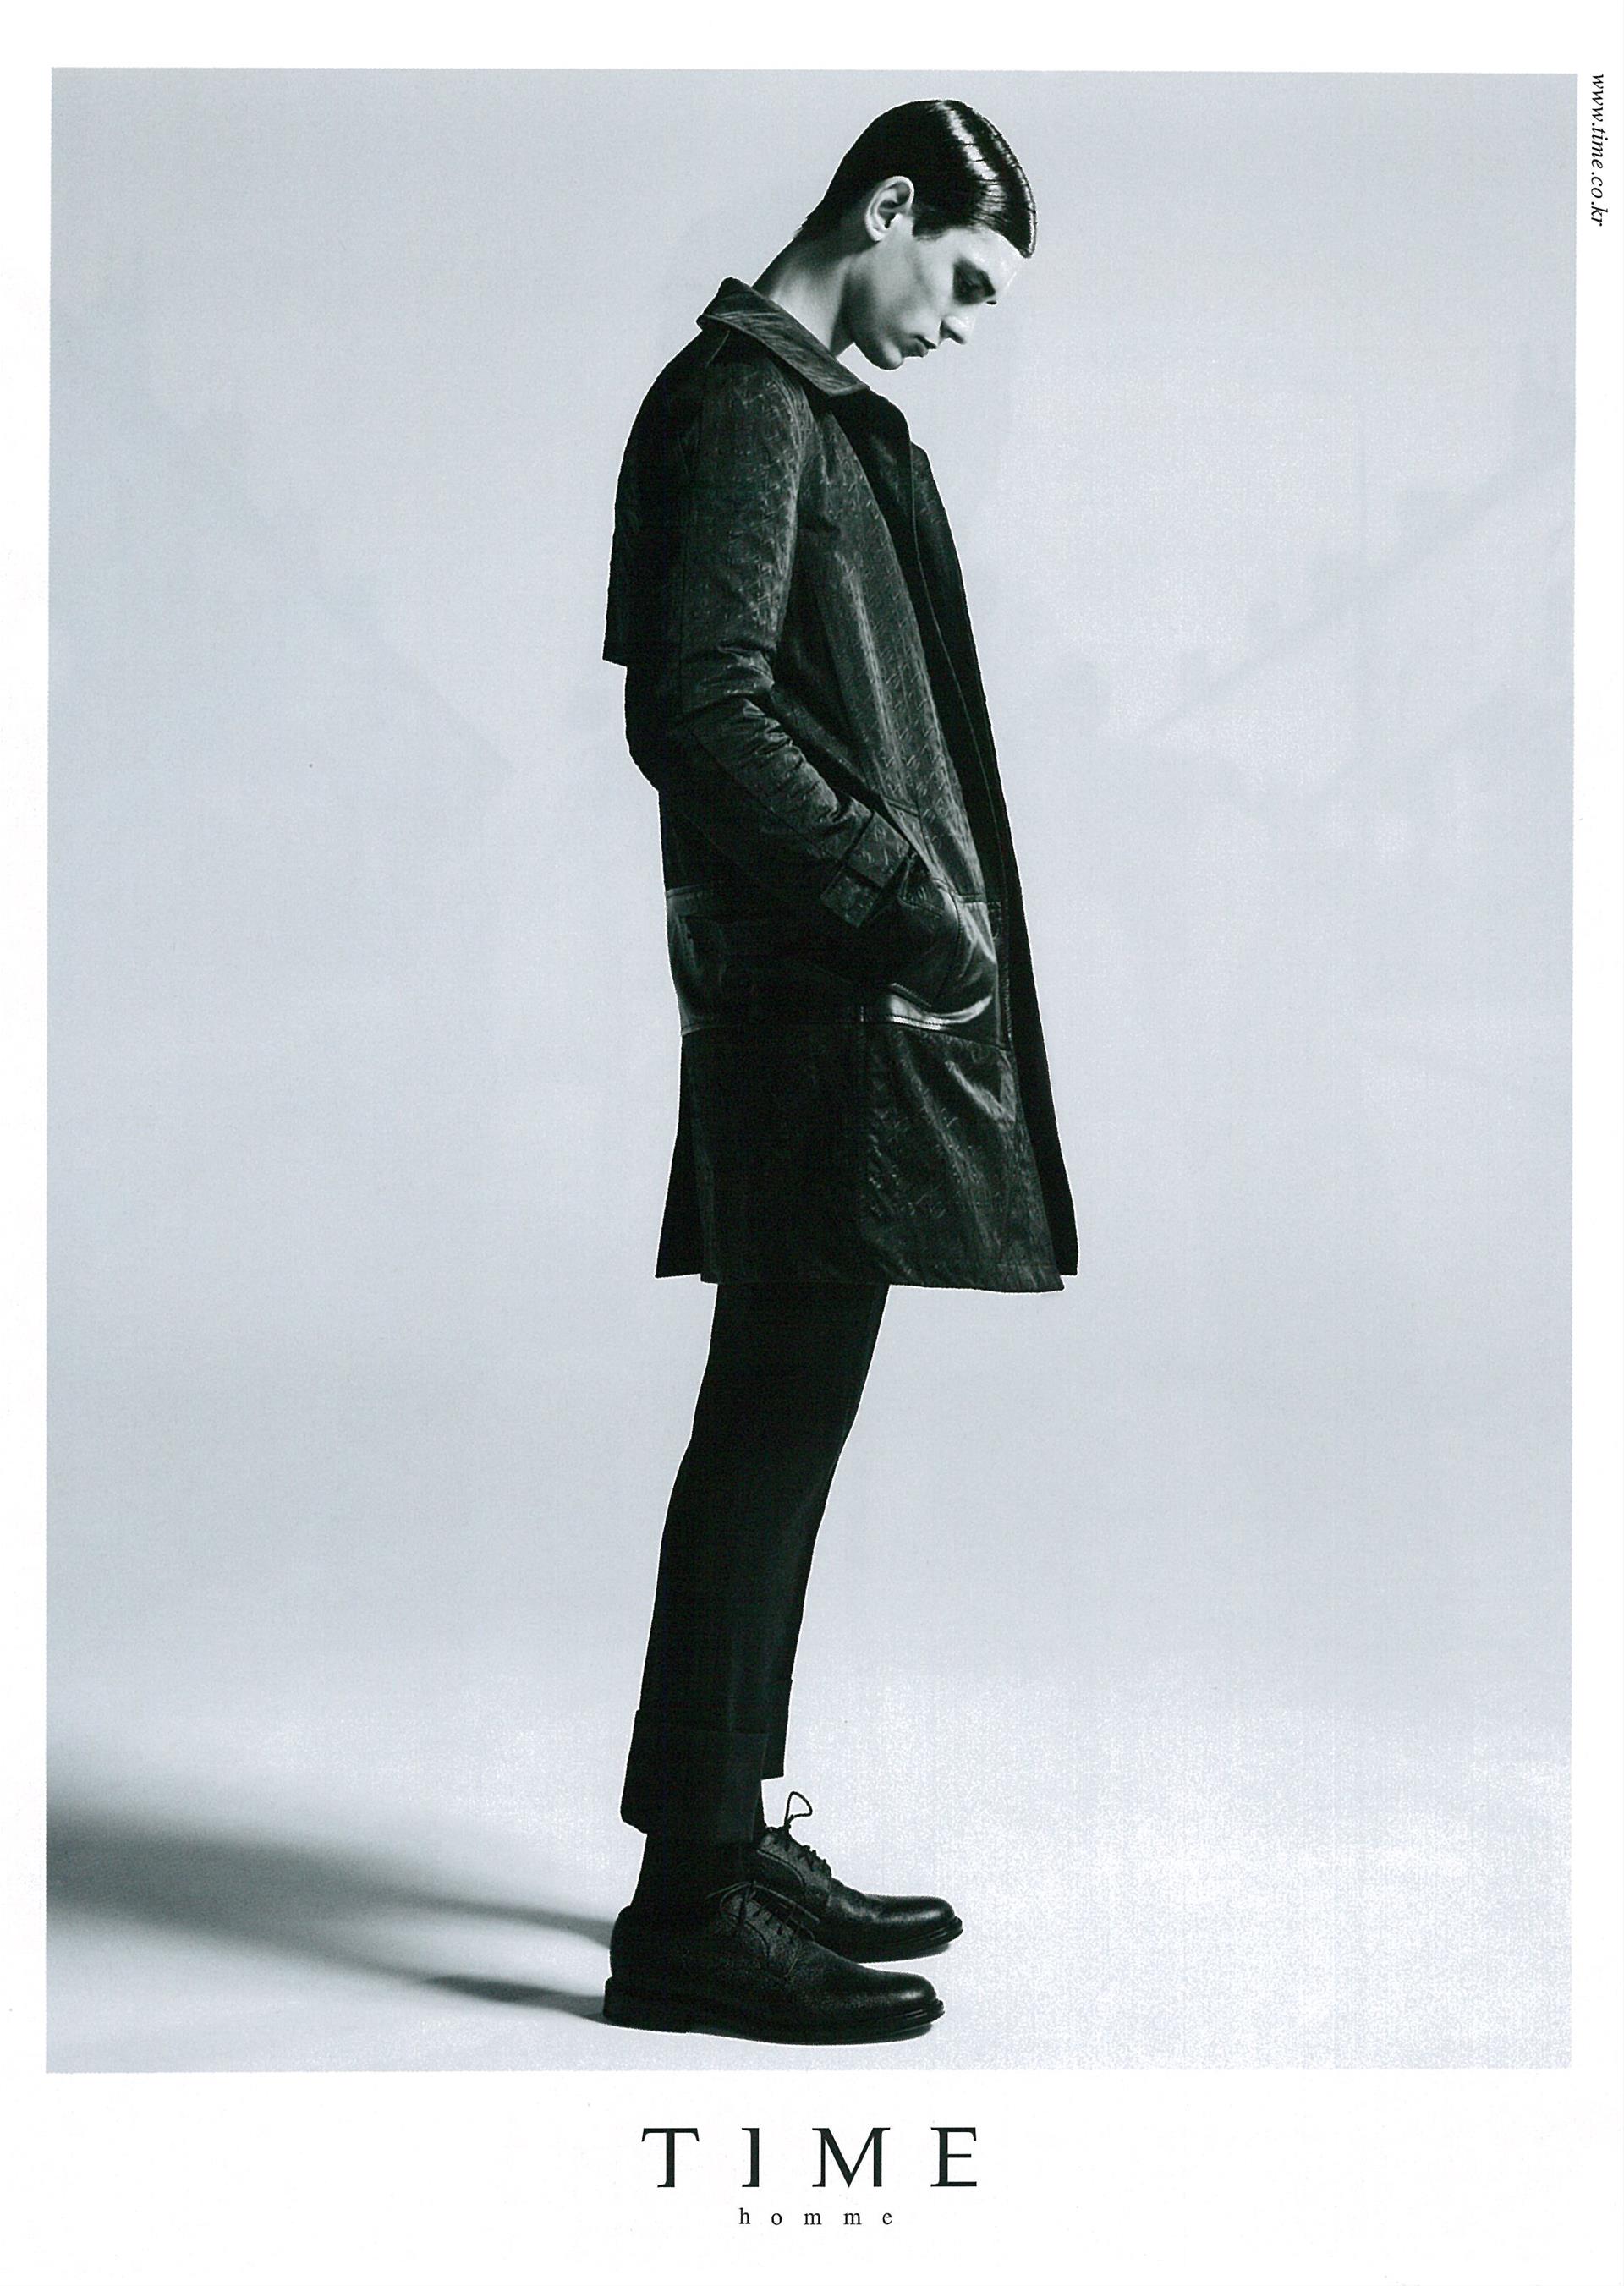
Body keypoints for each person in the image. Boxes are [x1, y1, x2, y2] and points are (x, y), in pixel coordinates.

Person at [600, 98, 1077, 2043]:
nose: (957, 322)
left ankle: (724, 1835)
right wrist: (896, 896)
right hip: (816, 1013)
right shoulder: (746, 406)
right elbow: (699, 710)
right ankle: (689, 1905)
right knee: (768, 1428)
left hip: (829, 1011)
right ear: (888, 205)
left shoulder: (798, 407)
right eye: (960, 276)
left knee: (779, 1423)